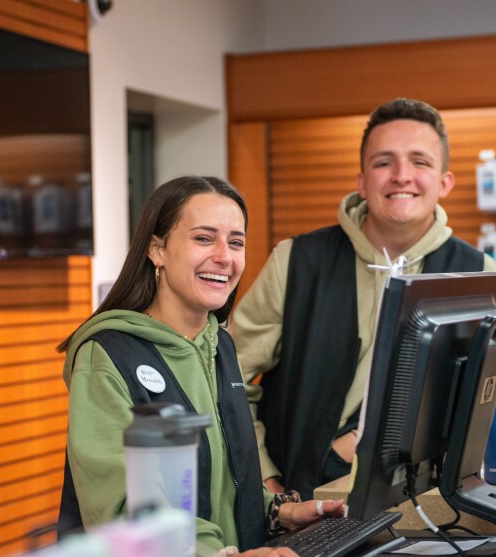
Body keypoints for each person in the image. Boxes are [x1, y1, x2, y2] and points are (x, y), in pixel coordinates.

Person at [56, 175, 344, 556]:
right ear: (157, 250)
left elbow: (222, 480)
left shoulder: (219, 345)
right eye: (204, 239)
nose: (224, 256)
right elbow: (122, 512)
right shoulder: (107, 355)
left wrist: (281, 512)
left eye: (236, 242)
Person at [229, 98, 496, 500]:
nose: (402, 176)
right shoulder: (297, 261)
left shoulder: (477, 271)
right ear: (361, 180)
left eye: (420, 162)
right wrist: (265, 480)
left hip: (427, 502)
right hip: (300, 499)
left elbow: (484, 399)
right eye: (383, 162)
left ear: (444, 183)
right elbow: (228, 380)